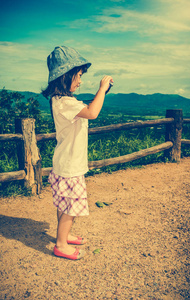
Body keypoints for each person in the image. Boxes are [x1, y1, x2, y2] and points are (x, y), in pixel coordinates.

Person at [43, 46, 113, 260]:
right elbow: (92, 113)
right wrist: (101, 89)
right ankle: (61, 244)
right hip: (70, 165)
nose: (80, 80)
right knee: (70, 206)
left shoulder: (62, 101)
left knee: (65, 204)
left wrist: (101, 93)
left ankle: (65, 235)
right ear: (66, 76)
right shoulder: (64, 103)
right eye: (79, 75)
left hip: (67, 163)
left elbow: (86, 109)